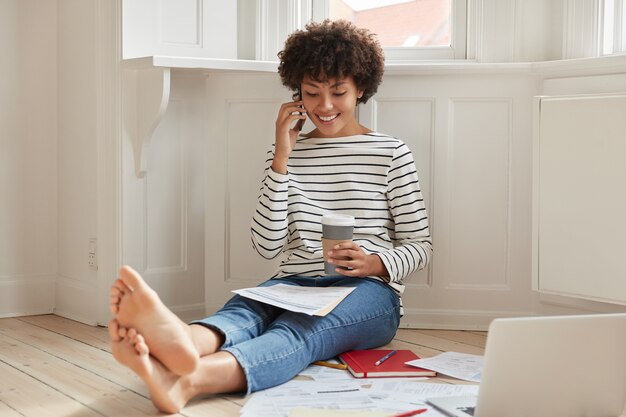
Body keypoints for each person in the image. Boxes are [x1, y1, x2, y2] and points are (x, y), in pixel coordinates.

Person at [108, 19, 432, 414]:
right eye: (312, 93)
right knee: (242, 311)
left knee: (300, 331)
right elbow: (266, 245)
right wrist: (281, 158)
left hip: (370, 294)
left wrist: (376, 263)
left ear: (361, 88)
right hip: (292, 282)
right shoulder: (286, 156)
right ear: (297, 94)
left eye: (338, 93)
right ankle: (184, 344)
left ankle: (189, 380)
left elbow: (420, 245)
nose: (324, 106)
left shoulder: (391, 153)